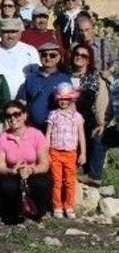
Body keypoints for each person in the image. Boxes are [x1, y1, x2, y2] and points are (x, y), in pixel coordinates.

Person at [0, 100, 52, 224]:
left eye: (16, 114)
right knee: (8, 186)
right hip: (13, 173)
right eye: (8, 116)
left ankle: (38, 211)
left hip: (34, 172)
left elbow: (44, 164)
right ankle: (14, 212)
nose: (12, 118)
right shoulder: (2, 138)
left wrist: (31, 170)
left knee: (42, 183)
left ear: (24, 115)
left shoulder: (36, 135)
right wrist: (11, 171)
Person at [68, 44, 111, 187]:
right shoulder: (65, 75)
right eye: (77, 54)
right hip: (67, 120)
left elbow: (88, 101)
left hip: (88, 119)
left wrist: (71, 95)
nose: (79, 57)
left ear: (88, 60)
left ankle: (93, 176)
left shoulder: (93, 76)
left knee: (96, 139)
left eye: (84, 55)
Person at [45, 83, 86, 219]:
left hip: (70, 153)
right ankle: (57, 206)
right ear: (57, 99)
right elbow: (48, 134)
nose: (63, 101)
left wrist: (83, 153)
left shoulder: (77, 116)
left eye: (66, 99)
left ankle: (69, 206)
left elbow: (81, 136)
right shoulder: (53, 115)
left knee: (69, 181)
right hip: (55, 152)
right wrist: (46, 152)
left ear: (71, 99)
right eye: (61, 99)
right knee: (56, 181)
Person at [17, 42, 71, 131]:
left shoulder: (64, 79)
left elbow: (70, 105)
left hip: (57, 129)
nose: (48, 58)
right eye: (44, 55)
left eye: (52, 55)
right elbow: (22, 103)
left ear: (58, 58)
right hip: (33, 128)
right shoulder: (30, 78)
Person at [0, 18, 41, 97]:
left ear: (20, 33)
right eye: (6, 32)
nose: (10, 36)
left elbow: (37, 76)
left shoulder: (30, 50)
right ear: (0, 33)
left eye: (13, 32)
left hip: (24, 100)